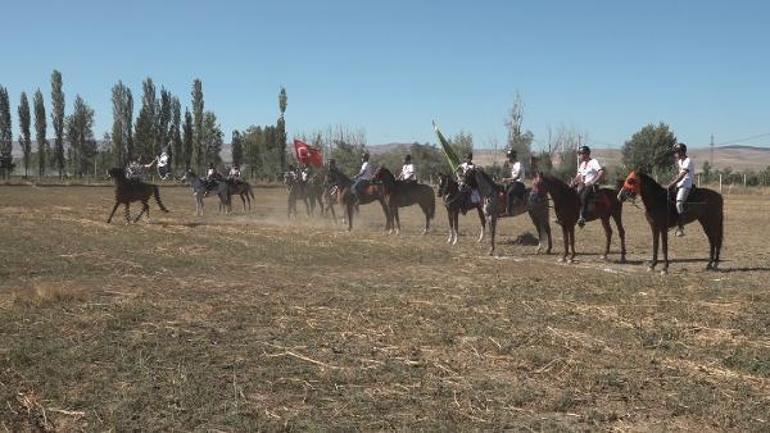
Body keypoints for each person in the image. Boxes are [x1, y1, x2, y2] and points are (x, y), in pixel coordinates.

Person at [667, 143, 694, 237]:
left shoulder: (688, 161)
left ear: (682, 152)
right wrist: (673, 183)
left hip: (686, 185)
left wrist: (672, 184)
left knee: (679, 204)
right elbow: (679, 174)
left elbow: (682, 175)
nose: (675, 154)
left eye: (676, 152)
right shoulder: (680, 161)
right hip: (679, 184)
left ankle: (681, 228)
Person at [574, 145, 605, 227]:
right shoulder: (582, 164)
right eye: (579, 154)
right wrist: (573, 182)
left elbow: (601, 172)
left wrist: (592, 182)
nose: (579, 155)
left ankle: (582, 218)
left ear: (586, 154)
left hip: (591, 186)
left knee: (583, 197)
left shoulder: (594, 162)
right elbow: (579, 175)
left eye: (580, 153)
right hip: (582, 185)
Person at [502, 149, 526, 215]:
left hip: (519, 184)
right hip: (514, 183)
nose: (508, 158)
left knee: (509, 193)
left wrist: (506, 179)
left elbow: (517, 177)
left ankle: (508, 211)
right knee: (502, 189)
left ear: (513, 156)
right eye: (508, 156)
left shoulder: (519, 164)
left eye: (509, 156)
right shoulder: (513, 165)